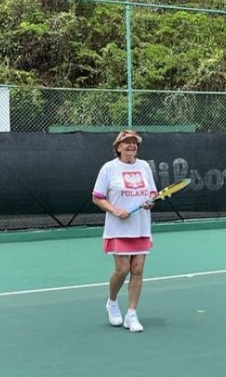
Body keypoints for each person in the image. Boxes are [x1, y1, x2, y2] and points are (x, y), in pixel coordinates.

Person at [92, 130, 158, 332]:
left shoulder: (144, 166)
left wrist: (150, 202)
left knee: (137, 269)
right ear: (118, 147)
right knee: (122, 270)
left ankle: (131, 314)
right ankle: (112, 302)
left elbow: (153, 193)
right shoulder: (109, 168)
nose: (131, 146)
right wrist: (115, 210)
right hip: (118, 228)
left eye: (134, 143)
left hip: (141, 226)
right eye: (127, 142)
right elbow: (97, 197)